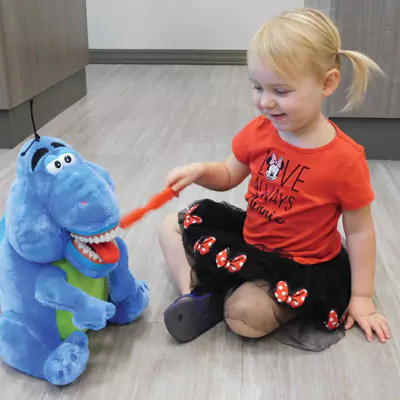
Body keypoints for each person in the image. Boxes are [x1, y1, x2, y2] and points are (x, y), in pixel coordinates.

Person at [158, 8, 391, 350]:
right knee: (169, 226)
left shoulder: (345, 159)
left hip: (299, 266)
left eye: (280, 91)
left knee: (244, 316)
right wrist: (200, 172)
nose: (265, 102)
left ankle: (250, 298)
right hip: (252, 243)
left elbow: (359, 230)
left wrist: (362, 296)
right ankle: (197, 294)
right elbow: (227, 175)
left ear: (327, 83)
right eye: (257, 87)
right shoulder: (260, 131)